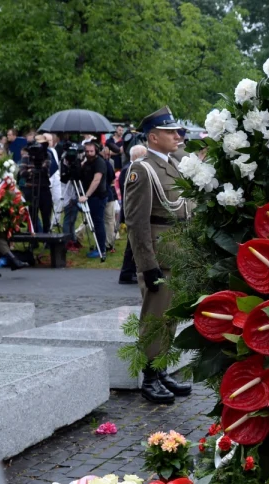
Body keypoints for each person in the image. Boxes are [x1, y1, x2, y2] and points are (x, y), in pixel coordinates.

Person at [123, 106, 194, 404]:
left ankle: (161, 367)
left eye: (177, 131)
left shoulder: (174, 163)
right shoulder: (143, 169)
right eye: (170, 132)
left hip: (177, 252)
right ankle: (149, 377)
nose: (177, 136)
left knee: (170, 317)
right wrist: (147, 265)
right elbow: (137, 223)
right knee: (155, 317)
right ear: (153, 137)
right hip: (159, 255)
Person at [117, 144, 148, 284]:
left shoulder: (130, 169)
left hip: (132, 211)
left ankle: (130, 271)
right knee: (132, 243)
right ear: (136, 156)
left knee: (133, 243)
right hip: (132, 212)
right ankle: (127, 273)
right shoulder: (130, 170)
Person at [78, 140, 108, 257]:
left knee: (98, 222)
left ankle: (101, 249)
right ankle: (98, 247)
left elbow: (96, 180)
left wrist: (87, 195)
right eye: (87, 151)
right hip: (91, 197)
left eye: (91, 151)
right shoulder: (86, 163)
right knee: (95, 223)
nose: (89, 153)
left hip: (97, 197)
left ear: (96, 151)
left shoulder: (99, 162)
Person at [102, 146, 119, 253]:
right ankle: (108, 243)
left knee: (109, 220)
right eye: (106, 154)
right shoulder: (106, 163)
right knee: (108, 220)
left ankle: (109, 243)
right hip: (106, 194)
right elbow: (112, 179)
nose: (108, 156)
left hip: (107, 194)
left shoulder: (108, 162)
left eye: (109, 154)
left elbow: (112, 179)